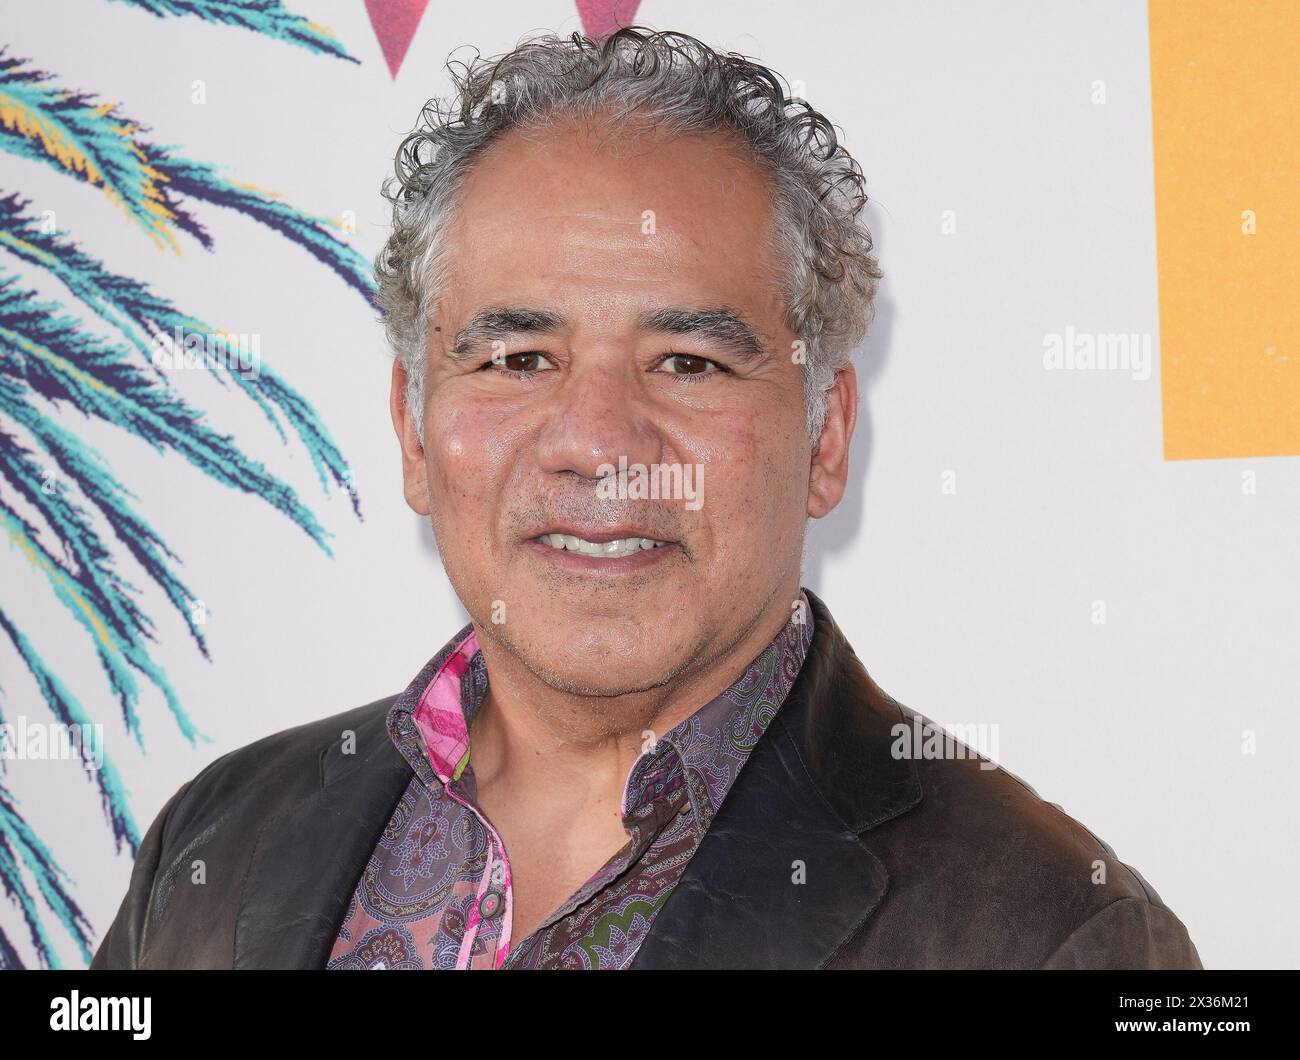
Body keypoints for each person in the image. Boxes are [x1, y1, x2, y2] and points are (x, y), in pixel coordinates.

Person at [92, 26, 1201, 970]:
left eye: (688, 362)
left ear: (825, 437)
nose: (598, 444)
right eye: (519, 358)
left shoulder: (1054, 936)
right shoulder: (217, 835)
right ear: (413, 429)